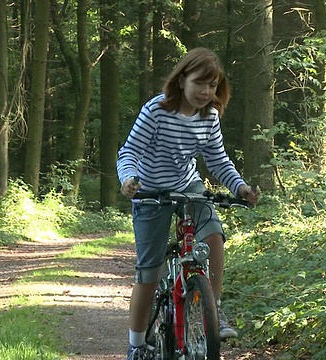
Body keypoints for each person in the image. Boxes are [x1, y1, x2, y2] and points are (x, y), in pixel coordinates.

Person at [117, 47, 260, 360]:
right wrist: (128, 180)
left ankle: (215, 311)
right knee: (149, 273)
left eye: (212, 86)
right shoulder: (157, 110)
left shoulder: (209, 117)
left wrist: (240, 186)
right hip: (150, 190)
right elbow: (129, 151)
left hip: (188, 186)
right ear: (182, 80)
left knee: (214, 235)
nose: (206, 92)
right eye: (200, 83)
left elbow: (218, 160)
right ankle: (137, 345)